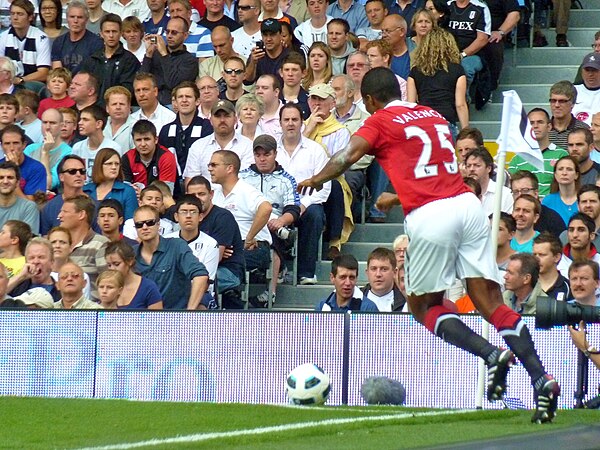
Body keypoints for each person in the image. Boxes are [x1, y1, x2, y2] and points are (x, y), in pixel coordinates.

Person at [298, 66, 560, 423]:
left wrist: (317, 177)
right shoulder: (430, 113)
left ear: (371, 100)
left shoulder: (379, 121)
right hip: (465, 205)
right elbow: (426, 164)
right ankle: (540, 376)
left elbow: (347, 156)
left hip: (431, 216)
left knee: (424, 307)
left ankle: (488, 353)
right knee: (492, 302)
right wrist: (395, 196)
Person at [239, 134, 300, 306]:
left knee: (272, 240)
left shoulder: (286, 179)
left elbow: (293, 209)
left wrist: (281, 221)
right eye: (258, 155)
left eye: (266, 154)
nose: (262, 159)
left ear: (275, 154)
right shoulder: (242, 177)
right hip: (244, 223)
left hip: (274, 227)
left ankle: (270, 293)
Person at [277, 102, 330, 284]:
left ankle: (306, 273)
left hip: (306, 206)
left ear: (302, 123)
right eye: (286, 120)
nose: (290, 123)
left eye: (295, 119)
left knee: (315, 214)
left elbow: (324, 187)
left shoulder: (315, 150)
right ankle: (277, 271)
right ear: (280, 123)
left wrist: (302, 206)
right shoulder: (270, 151)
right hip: (278, 206)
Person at [209, 149, 273, 279]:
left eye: (214, 165)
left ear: (229, 168)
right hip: (225, 247)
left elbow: (266, 208)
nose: (210, 169)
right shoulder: (215, 193)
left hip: (253, 248)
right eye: (209, 165)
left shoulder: (245, 190)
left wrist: (249, 238)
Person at [134, 204, 209, 309]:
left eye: (150, 222)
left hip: (176, 317)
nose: (145, 227)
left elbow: (201, 275)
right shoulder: (131, 254)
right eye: (139, 224)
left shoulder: (176, 246)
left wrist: (190, 312)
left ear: (158, 224)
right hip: (142, 319)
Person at [186, 175, 245, 308]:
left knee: (192, 283)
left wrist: (209, 252)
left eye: (201, 194)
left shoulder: (222, 217)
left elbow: (215, 257)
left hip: (227, 271)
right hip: (196, 270)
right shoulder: (185, 217)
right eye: (192, 195)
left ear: (211, 194)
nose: (197, 199)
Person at [407, 27, 468, 139]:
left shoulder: (415, 71)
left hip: (423, 124)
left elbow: (411, 105)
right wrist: (466, 132)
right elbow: (460, 104)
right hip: (446, 122)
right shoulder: (457, 70)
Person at [165, 195, 219, 309]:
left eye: (193, 212)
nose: (188, 216)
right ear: (176, 216)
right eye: (184, 212)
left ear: (200, 216)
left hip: (201, 293)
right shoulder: (166, 240)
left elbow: (205, 282)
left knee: (200, 306)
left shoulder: (211, 244)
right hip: (170, 292)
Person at [159, 81, 213, 193]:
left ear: (197, 101)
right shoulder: (166, 130)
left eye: (188, 97)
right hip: (171, 188)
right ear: (175, 102)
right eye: (180, 97)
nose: (184, 100)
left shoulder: (206, 127)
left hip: (199, 186)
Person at [183, 99, 253, 182]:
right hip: (207, 194)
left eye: (227, 116)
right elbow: (191, 182)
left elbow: (248, 180)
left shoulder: (248, 146)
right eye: (217, 116)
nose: (222, 120)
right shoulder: (198, 146)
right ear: (210, 120)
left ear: (235, 119)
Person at [508, 108, 568, 198]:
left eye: (540, 122)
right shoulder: (517, 159)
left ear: (549, 127)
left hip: (551, 208)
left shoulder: (562, 155)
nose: (535, 126)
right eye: (531, 123)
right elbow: (512, 190)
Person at [58, 195, 109, 299]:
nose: (59, 216)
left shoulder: (101, 244)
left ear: (81, 215)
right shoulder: (58, 244)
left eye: (65, 212)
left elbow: (108, 282)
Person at [80, 13, 141, 99]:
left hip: (118, 107)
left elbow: (128, 90)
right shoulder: (92, 59)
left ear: (120, 33)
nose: (111, 35)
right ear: (101, 34)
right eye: (107, 32)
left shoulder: (130, 60)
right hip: (94, 109)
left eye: (114, 31)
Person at [141, 16, 199, 106]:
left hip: (173, 105)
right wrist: (148, 55)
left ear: (185, 35)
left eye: (174, 32)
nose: (169, 36)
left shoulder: (190, 61)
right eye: (167, 32)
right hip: (152, 102)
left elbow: (173, 84)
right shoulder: (156, 54)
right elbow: (141, 80)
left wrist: (164, 54)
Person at [0, 0, 51, 89]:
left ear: (31, 17)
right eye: (12, 14)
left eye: (20, 14)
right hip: (8, 81)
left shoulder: (41, 38)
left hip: (32, 83)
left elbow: (43, 73)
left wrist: (21, 79)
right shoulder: (3, 37)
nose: (15, 17)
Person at [122, 119, 177, 193]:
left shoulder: (166, 157)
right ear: (133, 141)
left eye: (147, 139)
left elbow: (166, 194)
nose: (143, 144)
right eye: (138, 140)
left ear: (156, 140)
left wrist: (142, 194)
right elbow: (124, 191)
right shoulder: (127, 158)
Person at [23, 108, 72, 191]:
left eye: (53, 123)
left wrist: (45, 152)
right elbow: (21, 179)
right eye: (45, 122)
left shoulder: (68, 152)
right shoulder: (30, 148)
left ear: (61, 126)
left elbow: (47, 184)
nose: (48, 127)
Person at [445, 0, 490, 90]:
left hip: (472, 55)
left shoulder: (480, 8)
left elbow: (482, 39)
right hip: (446, 53)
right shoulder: (447, 6)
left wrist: (462, 55)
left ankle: (463, 100)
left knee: (464, 68)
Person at [105, 240, 163, 308]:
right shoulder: (106, 286)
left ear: (130, 261)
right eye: (109, 265)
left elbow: (156, 317)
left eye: (116, 264)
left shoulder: (148, 287)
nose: (112, 269)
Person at [51, 1, 104, 75]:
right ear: (67, 18)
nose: (75, 21)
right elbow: (57, 73)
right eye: (72, 17)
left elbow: (93, 73)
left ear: (86, 20)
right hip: (63, 83)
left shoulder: (96, 43)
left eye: (80, 17)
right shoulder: (58, 42)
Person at [83, 148, 138, 219]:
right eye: (109, 164)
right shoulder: (85, 190)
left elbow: (130, 223)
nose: (114, 167)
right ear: (99, 165)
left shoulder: (127, 191)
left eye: (117, 164)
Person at [510, 170, 566, 238]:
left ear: (536, 193)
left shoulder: (552, 219)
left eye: (525, 190)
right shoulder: (509, 221)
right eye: (515, 192)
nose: (520, 195)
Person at [40, 155, 87, 235]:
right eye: (72, 171)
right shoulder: (50, 207)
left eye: (82, 171)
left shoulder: (94, 205)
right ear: (61, 177)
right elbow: (45, 237)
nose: (78, 174)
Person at [72, 104, 122, 176]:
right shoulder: (77, 147)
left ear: (98, 124)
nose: (80, 123)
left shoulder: (113, 148)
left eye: (85, 120)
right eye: (80, 119)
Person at [0, 124, 46, 199]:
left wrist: (14, 169)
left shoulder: (36, 168)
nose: (11, 148)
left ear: (24, 145)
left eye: (15, 143)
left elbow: (30, 206)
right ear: (2, 146)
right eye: (7, 143)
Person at [47, 225, 91, 300]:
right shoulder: (42, 276)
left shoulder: (81, 276)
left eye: (62, 242)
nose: (57, 246)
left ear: (70, 247)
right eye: (53, 242)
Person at [465, 147, 513, 216]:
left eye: (477, 165)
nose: (471, 169)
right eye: (468, 166)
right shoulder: (460, 194)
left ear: (489, 168)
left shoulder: (504, 194)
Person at [244, 18, 288, 85]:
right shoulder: (257, 55)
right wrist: (253, 63)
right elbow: (247, 81)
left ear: (281, 35)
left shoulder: (290, 56)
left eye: (272, 34)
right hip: (262, 93)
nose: (268, 39)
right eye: (265, 35)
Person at [548, 80, 589, 151]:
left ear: (572, 103)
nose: (556, 105)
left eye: (562, 101)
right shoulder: (543, 129)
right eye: (553, 101)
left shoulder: (584, 130)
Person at [362, 247, 406, 312]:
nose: (378, 274)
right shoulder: (355, 299)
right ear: (367, 272)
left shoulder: (406, 301)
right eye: (373, 269)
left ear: (395, 272)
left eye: (384, 269)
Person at [541, 155, 580, 226]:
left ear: (576, 175)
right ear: (555, 174)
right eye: (560, 169)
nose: (564, 173)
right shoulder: (548, 201)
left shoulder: (584, 199)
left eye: (569, 169)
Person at [0, 161, 38, 233]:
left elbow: (27, 239)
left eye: (10, 178)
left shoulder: (28, 207)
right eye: (1, 178)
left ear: (17, 183)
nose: (5, 181)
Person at [533, 232, 571, 302]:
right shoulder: (527, 285)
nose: (536, 259)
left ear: (557, 257)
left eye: (542, 255)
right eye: (534, 254)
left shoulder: (568, 287)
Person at [278, 52, 310, 120]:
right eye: (286, 70)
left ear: (304, 73)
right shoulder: (273, 99)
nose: (290, 74)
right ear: (281, 73)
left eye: (294, 70)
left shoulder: (310, 101)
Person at [103, 86, 135, 154]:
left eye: (122, 104)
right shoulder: (100, 126)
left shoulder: (136, 127)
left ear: (129, 107)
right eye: (114, 104)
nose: (118, 107)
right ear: (107, 108)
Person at [381, 14, 410, 80]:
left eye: (388, 31)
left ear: (402, 31)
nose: (383, 35)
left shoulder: (416, 52)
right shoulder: (380, 53)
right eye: (382, 31)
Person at [255, 74, 282, 140]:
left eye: (265, 88)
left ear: (276, 92)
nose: (259, 91)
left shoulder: (288, 114)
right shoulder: (248, 113)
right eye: (257, 88)